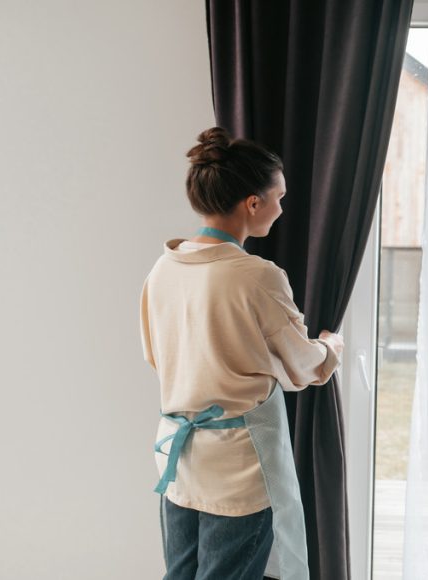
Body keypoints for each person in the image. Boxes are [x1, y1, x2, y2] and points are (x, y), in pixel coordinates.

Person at [140, 126, 344, 579]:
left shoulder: (163, 268)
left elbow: (160, 355)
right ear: (253, 203)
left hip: (179, 461)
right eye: (279, 197)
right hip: (238, 469)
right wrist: (331, 348)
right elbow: (303, 365)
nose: (281, 208)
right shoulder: (257, 276)